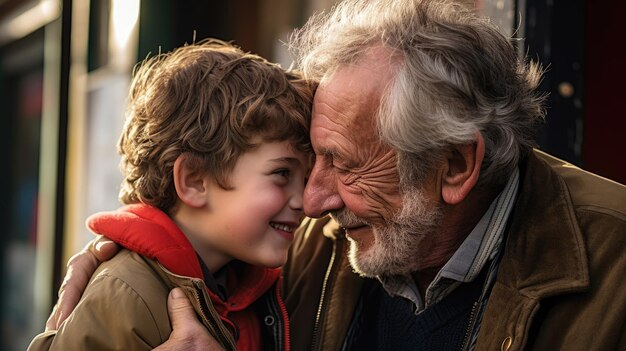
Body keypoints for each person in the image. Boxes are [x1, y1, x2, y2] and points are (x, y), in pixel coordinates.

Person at [44, 0, 626, 350]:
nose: (314, 201)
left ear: (455, 166)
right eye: (302, 163)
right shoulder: (296, 250)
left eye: (341, 162)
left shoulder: (612, 269)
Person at [28, 39, 314, 351]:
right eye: (282, 174)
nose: (304, 200)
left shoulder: (244, 286)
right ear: (194, 181)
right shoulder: (126, 294)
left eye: (305, 177)